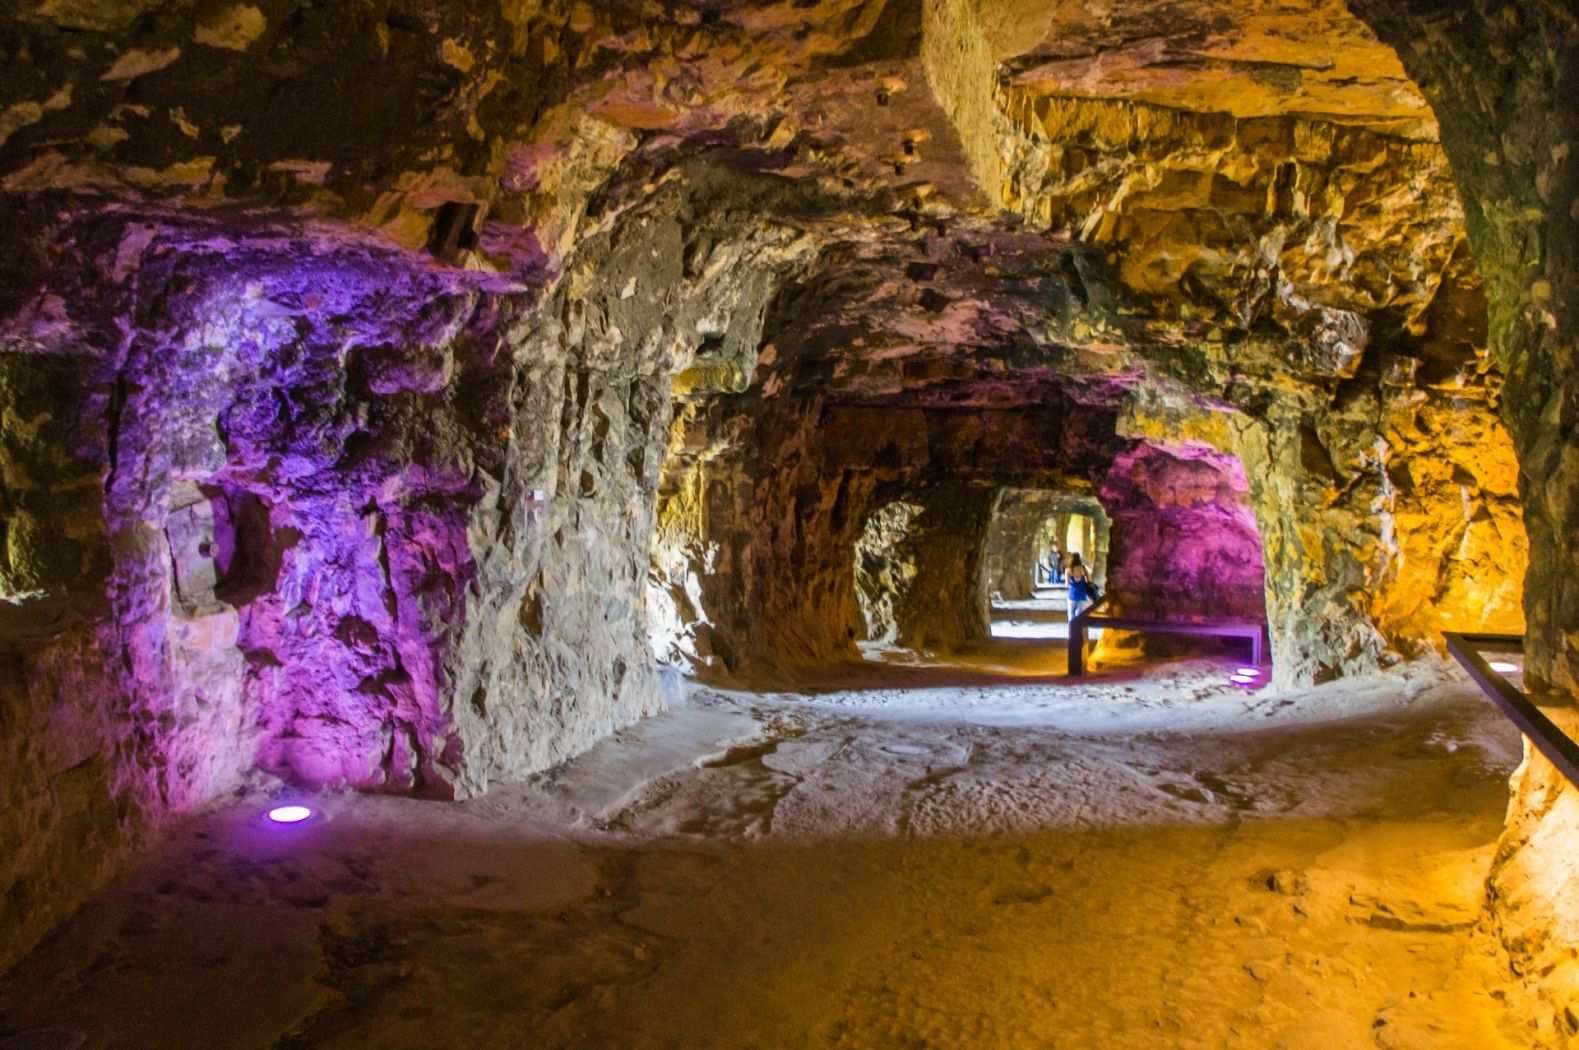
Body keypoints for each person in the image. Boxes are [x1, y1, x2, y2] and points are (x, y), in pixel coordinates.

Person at [1066, 552, 1095, 620]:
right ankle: (1078, 629)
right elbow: (1089, 580)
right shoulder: (1083, 568)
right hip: (1082, 594)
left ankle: (1072, 629)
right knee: (1080, 615)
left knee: (1071, 614)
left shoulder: (1068, 570)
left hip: (1072, 595)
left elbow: (1067, 584)